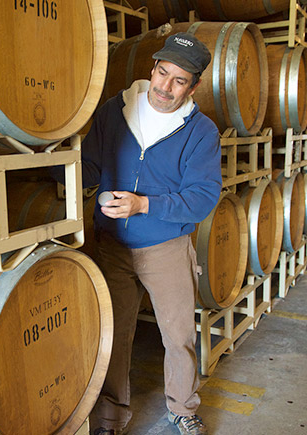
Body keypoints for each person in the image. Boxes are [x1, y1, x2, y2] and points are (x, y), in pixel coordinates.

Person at [81, 33, 222, 435]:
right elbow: (88, 165)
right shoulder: (115, 111)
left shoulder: (200, 131)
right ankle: (109, 417)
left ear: (193, 86)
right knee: (114, 336)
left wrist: (145, 205)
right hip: (111, 247)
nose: (166, 87)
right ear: (152, 70)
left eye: (179, 80)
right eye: (163, 73)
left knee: (178, 338)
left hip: (166, 248)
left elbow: (203, 196)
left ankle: (182, 408)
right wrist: (37, 154)